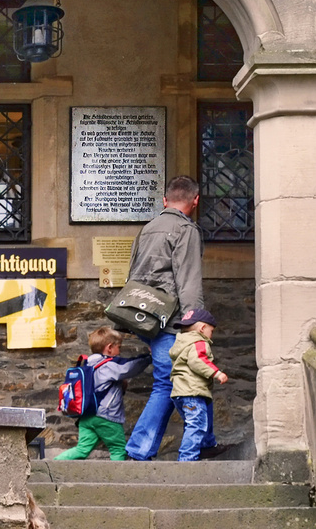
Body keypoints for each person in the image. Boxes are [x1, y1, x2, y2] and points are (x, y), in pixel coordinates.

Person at [124, 176, 205, 461]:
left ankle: (206, 440)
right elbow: (189, 281)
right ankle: (139, 448)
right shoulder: (186, 230)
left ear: (164, 200)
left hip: (145, 318)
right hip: (172, 321)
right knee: (172, 382)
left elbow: (132, 276)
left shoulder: (147, 229)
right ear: (195, 200)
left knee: (178, 379)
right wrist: (195, 322)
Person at [54, 325, 152, 461]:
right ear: (109, 347)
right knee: (118, 450)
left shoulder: (87, 365)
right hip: (106, 417)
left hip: (86, 417)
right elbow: (129, 367)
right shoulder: (108, 365)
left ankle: (53, 465)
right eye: (119, 347)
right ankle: (118, 481)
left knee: (82, 449)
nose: (120, 351)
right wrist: (149, 357)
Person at [168, 307, 228, 462]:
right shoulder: (199, 341)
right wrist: (217, 373)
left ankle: (206, 446)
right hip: (192, 392)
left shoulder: (182, 343)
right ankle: (187, 458)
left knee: (196, 422)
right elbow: (198, 360)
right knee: (196, 425)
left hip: (180, 393)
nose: (211, 335)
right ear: (202, 328)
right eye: (211, 331)